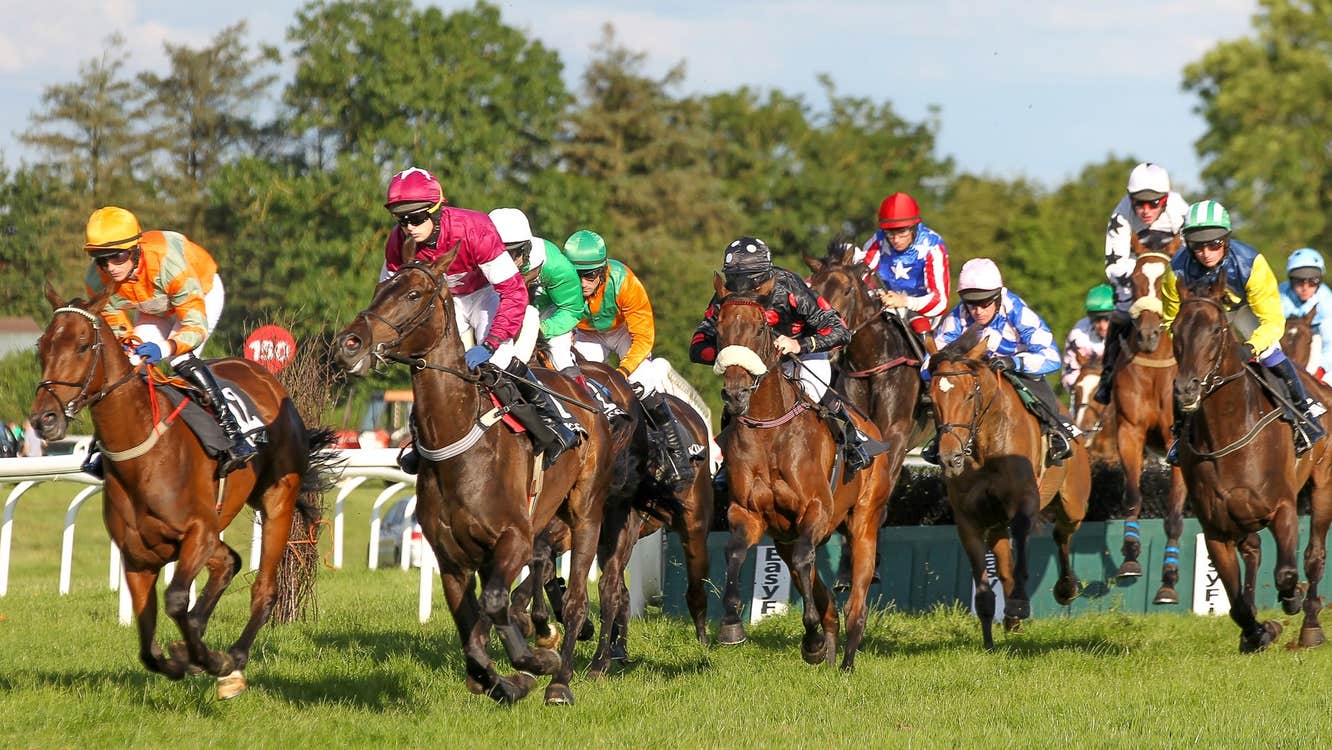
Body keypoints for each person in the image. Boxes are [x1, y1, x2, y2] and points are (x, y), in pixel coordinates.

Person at [381, 169, 579, 473]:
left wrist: (490, 342)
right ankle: (420, 438)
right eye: (401, 219)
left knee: (498, 363)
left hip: (486, 293)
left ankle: (553, 425)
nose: (408, 227)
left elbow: (513, 293)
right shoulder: (398, 242)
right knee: (433, 367)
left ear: (437, 209)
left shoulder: (473, 229)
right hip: (447, 301)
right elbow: (388, 296)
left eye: (416, 218)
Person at [82, 206, 256, 476]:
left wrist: (164, 347)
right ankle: (102, 446)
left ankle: (235, 435)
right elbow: (120, 331)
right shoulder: (97, 281)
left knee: (180, 358)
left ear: (135, 249)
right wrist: (131, 346)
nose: (110, 268)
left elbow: (194, 327)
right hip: (154, 306)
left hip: (202, 292)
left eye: (117, 257)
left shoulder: (168, 263)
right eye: (100, 259)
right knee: (128, 363)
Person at [690, 236, 888, 474]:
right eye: (735, 278)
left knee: (813, 389)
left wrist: (799, 345)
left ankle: (853, 440)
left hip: (803, 355)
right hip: (758, 364)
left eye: (748, 279)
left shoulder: (789, 286)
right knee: (736, 399)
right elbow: (698, 345)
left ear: (765, 274)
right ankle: (726, 467)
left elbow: (840, 331)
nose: (740, 286)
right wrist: (735, 352)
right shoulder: (726, 296)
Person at [1162, 200, 1327, 460]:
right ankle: (1179, 434)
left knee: (1271, 353)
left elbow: (1272, 321)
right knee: (1186, 372)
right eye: (1197, 245)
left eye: (1214, 243)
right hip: (1202, 318)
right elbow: (1170, 320)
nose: (1206, 252)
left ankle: (1302, 415)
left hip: (1242, 311)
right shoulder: (1175, 272)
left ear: (1226, 240)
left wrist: (1250, 347)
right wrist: (1187, 347)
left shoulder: (1251, 264)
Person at [564, 229, 699, 486]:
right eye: (576, 274)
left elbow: (644, 337)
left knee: (641, 383)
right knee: (576, 383)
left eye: (589, 275)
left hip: (624, 332)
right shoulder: (560, 281)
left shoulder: (624, 282)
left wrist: (623, 371)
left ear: (603, 271)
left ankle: (678, 454)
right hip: (584, 334)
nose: (582, 283)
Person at [922, 258, 1082, 466]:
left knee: (1039, 390)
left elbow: (1051, 358)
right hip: (975, 373)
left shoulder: (1018, 312)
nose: (977, 311)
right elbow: (928, 364)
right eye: (971, 304)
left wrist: (1014, 362)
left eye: (984, 303)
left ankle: (1056, 431)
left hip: (1018, 368)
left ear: (998, 297)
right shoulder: (958, 315)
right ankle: (941, 439)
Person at [488, 208, 623, 423]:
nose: (502, 261)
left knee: (558, 351)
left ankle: (588, 408)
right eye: (497, 253)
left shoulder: (555, 265)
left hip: (546, 312)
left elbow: (571, 309)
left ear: (526, 248)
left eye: (511, 254)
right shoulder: (479, 257)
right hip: (500, 309)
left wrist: (544, 330)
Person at [1094, 163, 1189, 405]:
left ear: (1165, 199)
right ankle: (1107, 376)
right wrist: (1142, 290)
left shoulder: (1181, 212)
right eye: (1139, 203)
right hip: (1135, 276)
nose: (1145, 210)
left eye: (1153, 203)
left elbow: (1194, 255)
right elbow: (1115, 265)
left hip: (1174, 273)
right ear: (1130, 199)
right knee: (1122, 313)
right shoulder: (1120, 215)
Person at [855, 192, 951, 341]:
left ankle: (927, 362)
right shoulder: (878, 241)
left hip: (922, 311)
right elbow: (861, 276)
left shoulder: (933, 246)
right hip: (886, 305)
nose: (896, 240)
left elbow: (940, 302)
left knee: (919, 325)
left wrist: (905, 301)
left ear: (914, 227)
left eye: (902, 232)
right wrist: (874, 292)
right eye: (890, 233)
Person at [1278, 247, 1332, 383]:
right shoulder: (1280, 295)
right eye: (1299, 280)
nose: (1305, 287)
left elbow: (1330, 344)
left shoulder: (1326, 300)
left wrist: (1321, 370)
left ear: (1320, 279)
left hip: (1320, 348)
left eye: (1313, 281)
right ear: (1290, 280)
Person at [1063, 284, 1114, 396]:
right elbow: (1069, 375)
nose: (1102, 326)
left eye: (1107, 319)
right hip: (1087, 393)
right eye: (1097, 320)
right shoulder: (1077, 335)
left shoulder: (1128, 332)